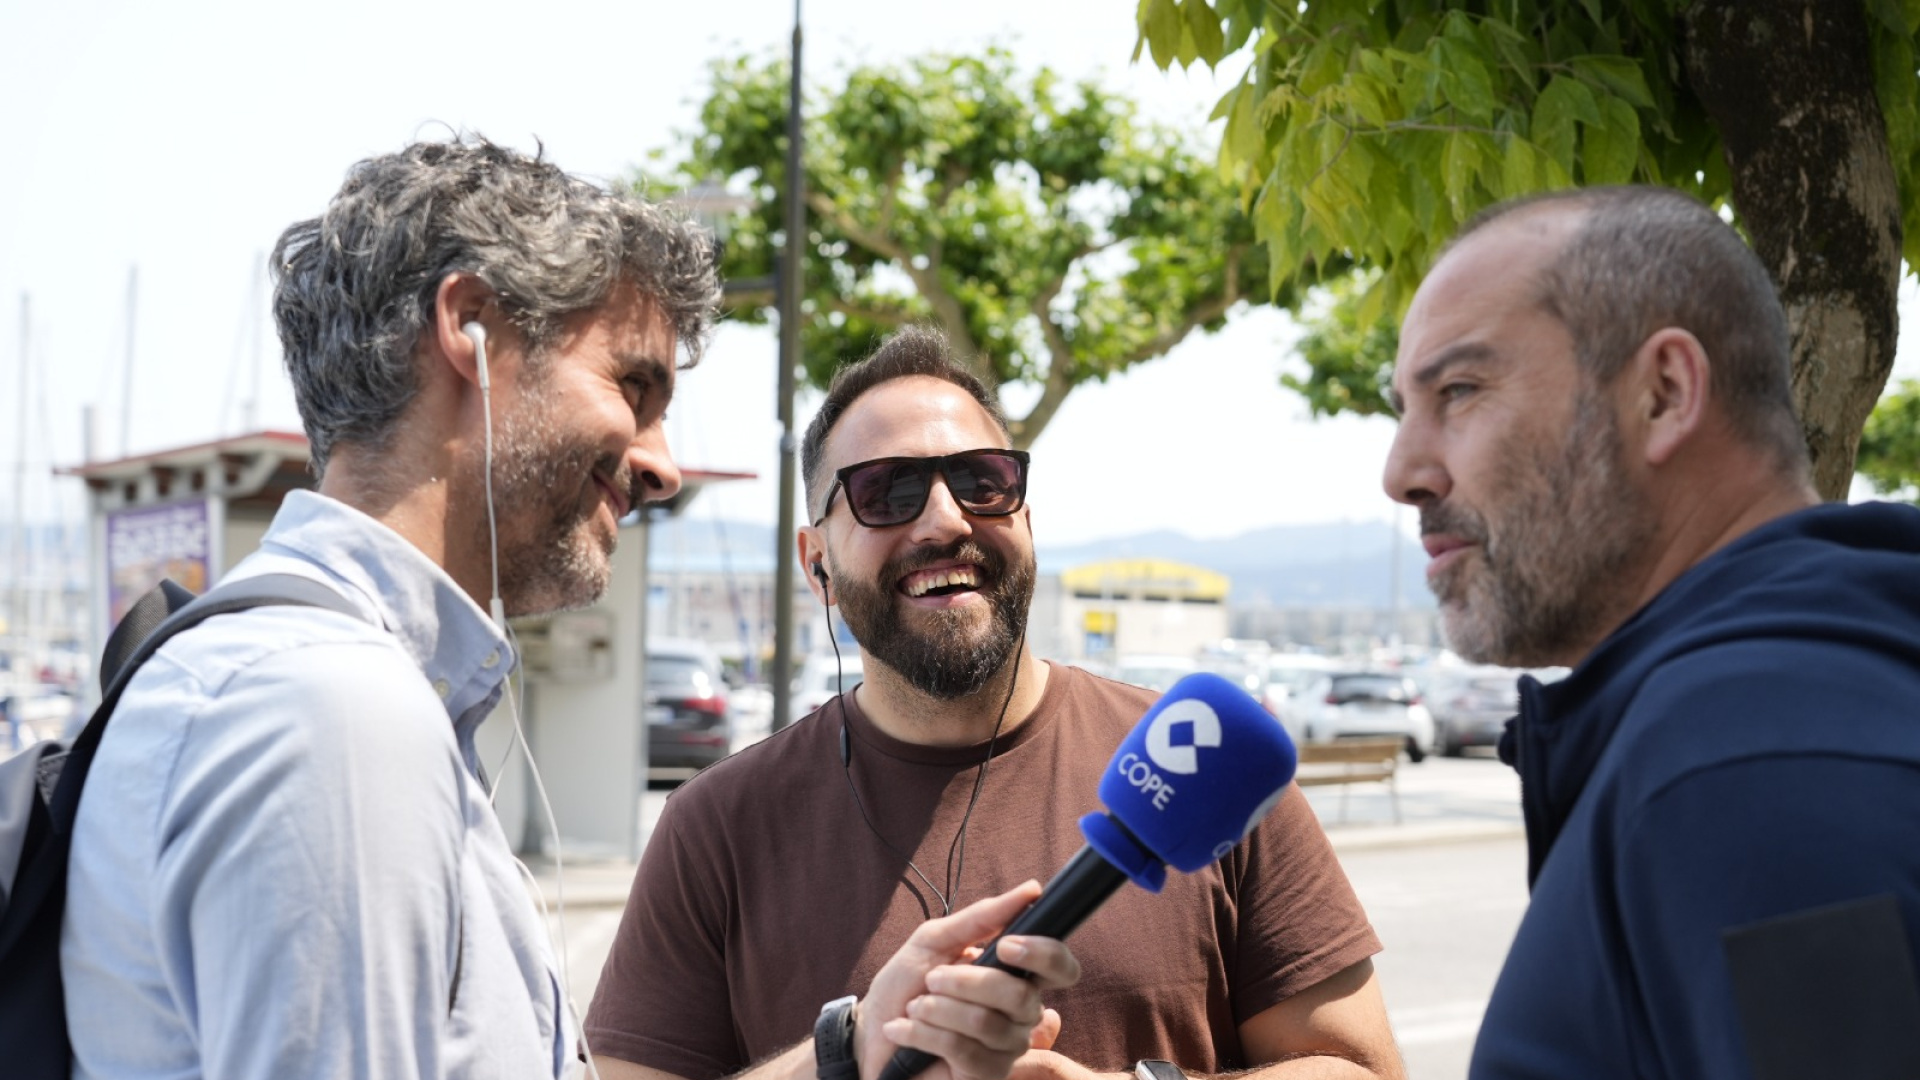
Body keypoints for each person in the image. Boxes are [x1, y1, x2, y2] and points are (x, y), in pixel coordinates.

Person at [61, 137, 1076, 1080]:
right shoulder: (330, 714)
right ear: (468, 330)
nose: (662, 466)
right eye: (633, 387)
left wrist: (854, 1047)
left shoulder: (320, 687)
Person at [586, 327, 1403, 1080]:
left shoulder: (1200, 760)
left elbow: (1365, 1071)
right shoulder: (717, 827)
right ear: (817, 564)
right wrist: (850, 1055)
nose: (946, 520)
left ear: (1028, 516)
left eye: (983, 480)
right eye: (885, 491)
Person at [1382, 185, 1920, 1078]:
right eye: (1404, 405)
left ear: (1665, 393)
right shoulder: (1787, 709)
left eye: (1461, 390)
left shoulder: (1751, 765)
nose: (1402, 471)